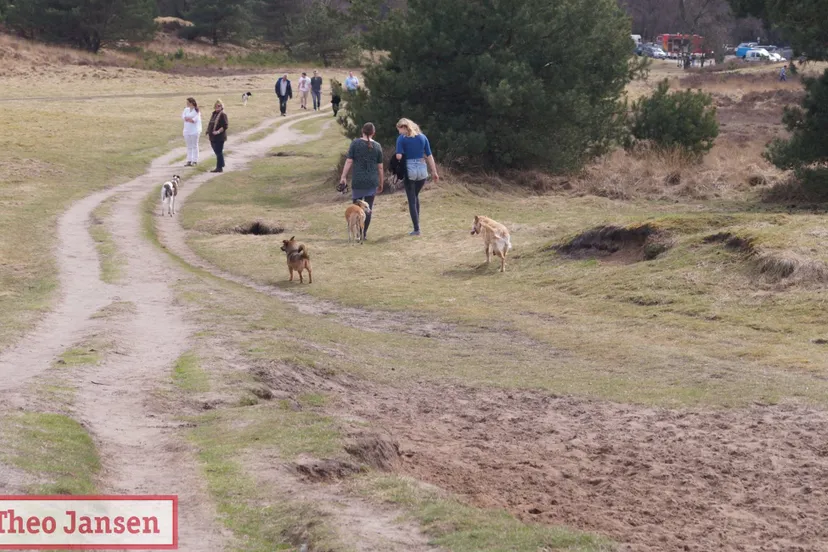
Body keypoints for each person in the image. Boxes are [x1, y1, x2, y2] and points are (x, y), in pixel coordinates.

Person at [339, 122, 384, 241]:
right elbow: (380, 167)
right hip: (372, 181)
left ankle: (356, 233)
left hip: (358, 180)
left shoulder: (355, 143)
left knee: (355, 209)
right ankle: (363, 233)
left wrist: (343, 176)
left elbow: (349, 161)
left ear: (362, 131)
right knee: (368, 209)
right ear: (374, 133)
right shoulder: (378, 146)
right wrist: (381, 182)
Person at [395, 118, 439, 236]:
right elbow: (429, 156)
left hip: (410, 170)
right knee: (415, 196)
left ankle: (416, 229)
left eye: (399, 129)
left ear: (404, 128)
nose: (399, 132)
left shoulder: (401, 139)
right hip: (422, 170)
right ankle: (417, 224)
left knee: (411, 200)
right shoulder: (423, 137)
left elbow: (399, 156)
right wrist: (434, 172)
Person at [206, 99, 228, 173]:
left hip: (219, 137)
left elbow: (225, 126)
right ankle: (221, 164)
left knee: (218, 151)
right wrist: (208, 130)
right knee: (217, 151)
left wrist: (218, 131)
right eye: (216, 106)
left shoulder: (223, 114)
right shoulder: (214, 113)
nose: (217, 107)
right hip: (212, 137)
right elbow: (211, 123)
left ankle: (219, 168)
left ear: (222, 106)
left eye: (219, 106)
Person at [182, 97, 202, 167]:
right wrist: (187, 119)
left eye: (188, 102)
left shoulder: (196, 111)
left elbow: (194, 120)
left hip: (194, 131)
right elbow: (183, 117)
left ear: (191, 103)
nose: (186, 104)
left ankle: (195, 160)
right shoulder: (186, 110)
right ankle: (189, 160)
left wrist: (189, 119)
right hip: (187, 130)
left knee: (194, 145)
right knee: (189, 146)